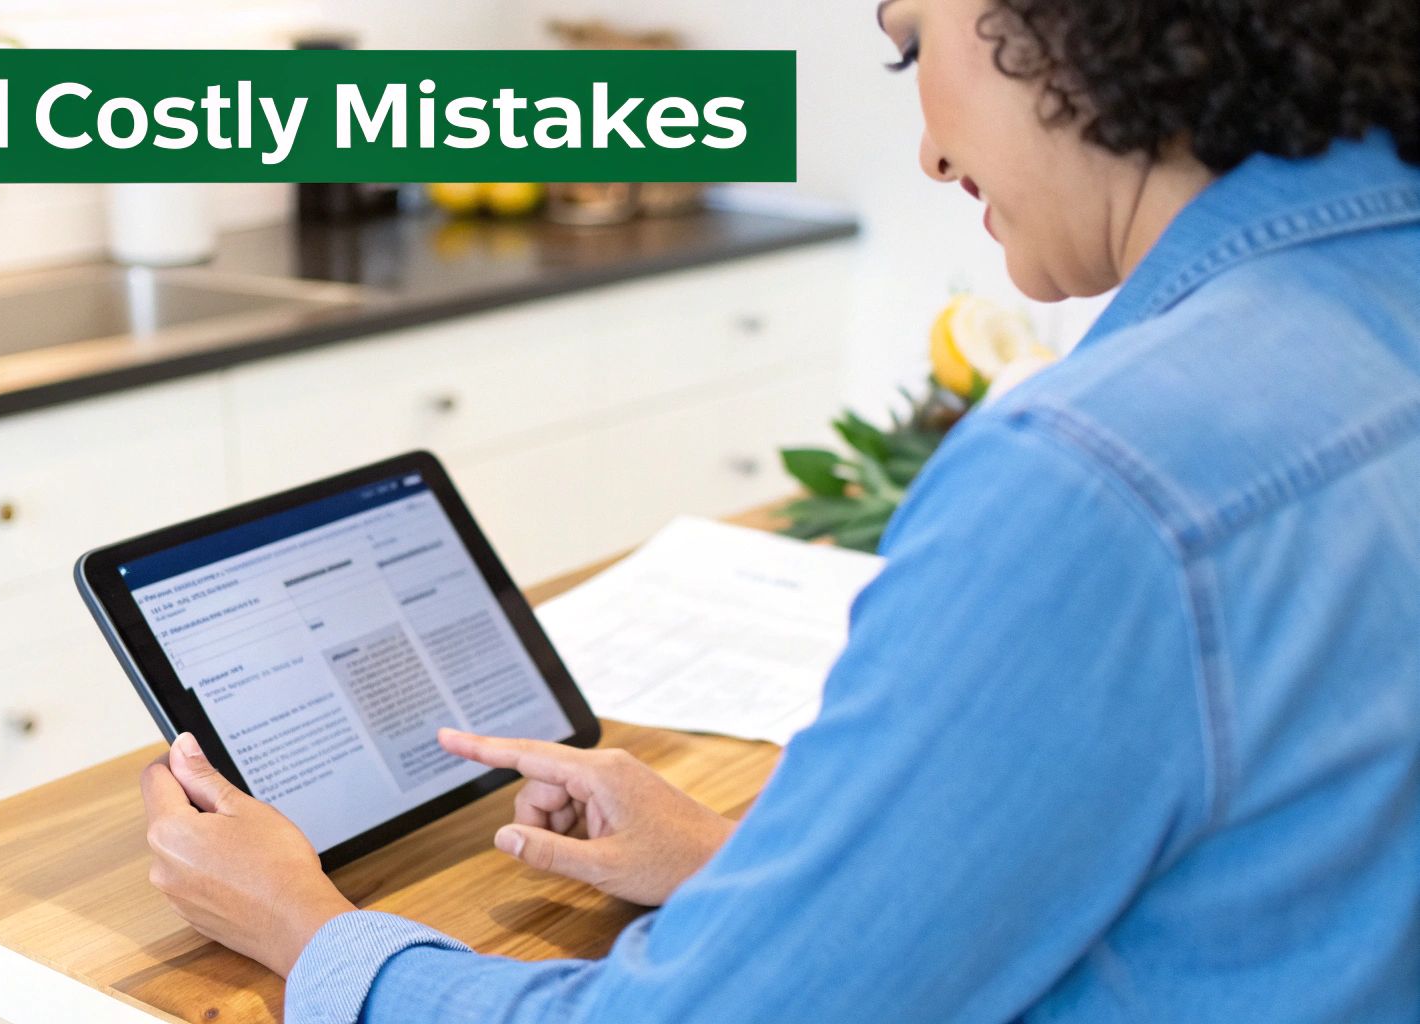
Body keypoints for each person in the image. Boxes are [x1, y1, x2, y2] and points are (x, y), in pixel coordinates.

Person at [138, 0, 1420, 1018]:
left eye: (908, 46)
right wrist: (756, 878)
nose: (926, 149)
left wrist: (310, 930)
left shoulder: (1095, 478)